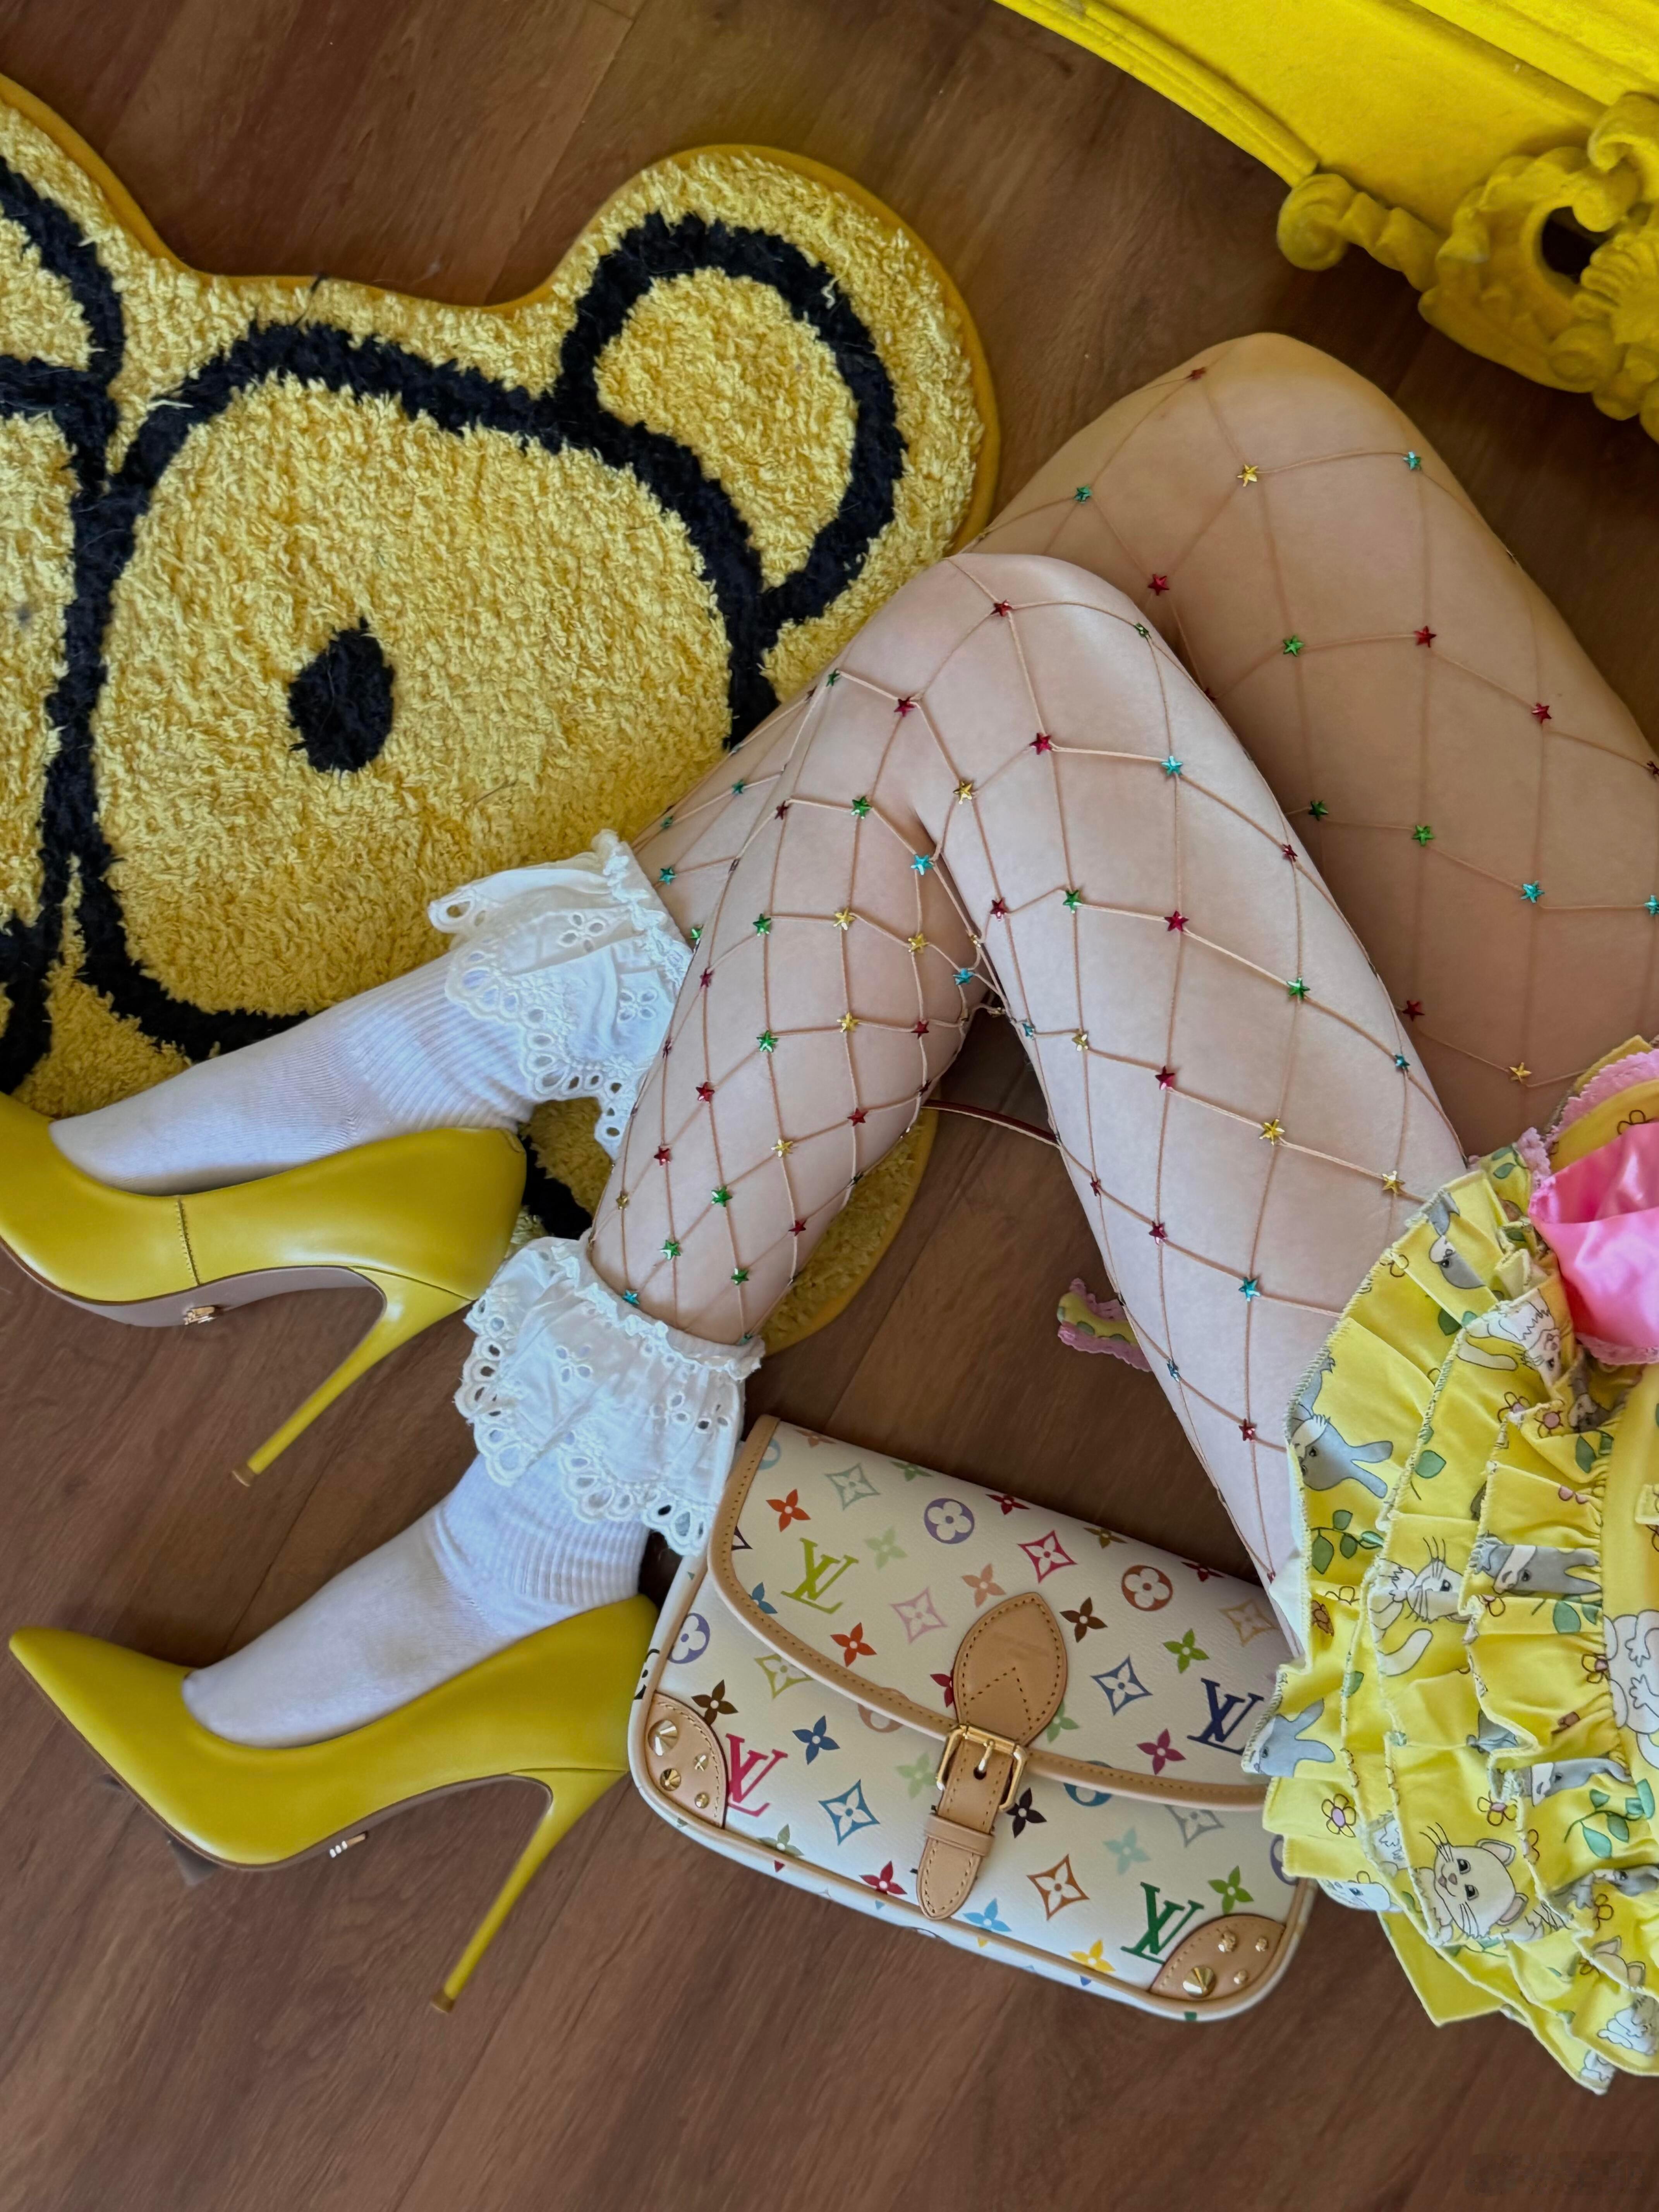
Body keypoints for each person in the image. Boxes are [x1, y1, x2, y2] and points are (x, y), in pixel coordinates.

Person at [14, 334, 1659, 2075]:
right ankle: (495, 1061)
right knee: (1258, 453)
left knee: (998, 669)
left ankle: (535, 1525)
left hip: (1561, 1588)